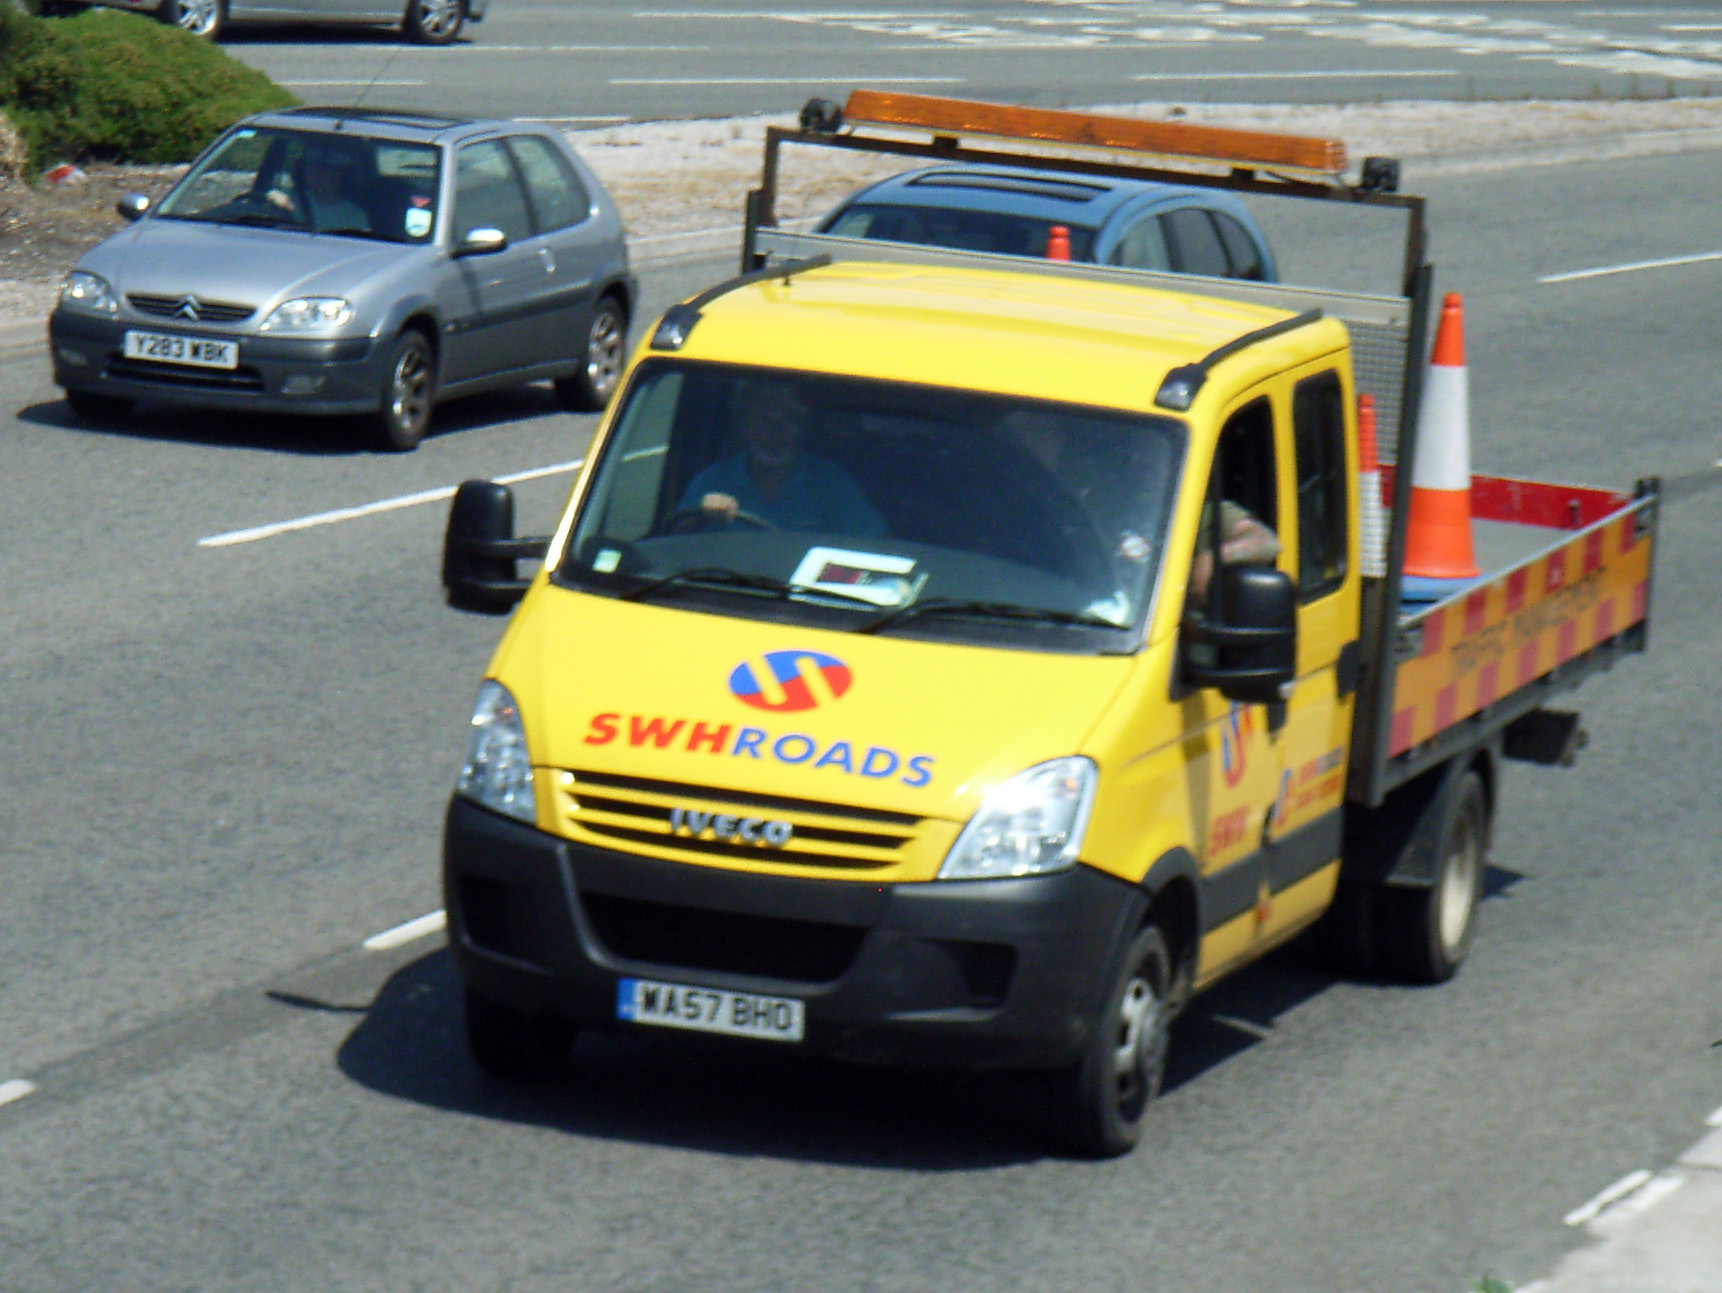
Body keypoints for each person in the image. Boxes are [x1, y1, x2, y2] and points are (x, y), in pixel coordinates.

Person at [678, 379, 887, 536]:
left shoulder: (830, 482)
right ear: (744, 427)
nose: (775, 433)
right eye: (764, 421)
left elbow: (876, 543)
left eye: (787, 420)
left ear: (801, 429)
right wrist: (701, 516)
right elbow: (674, 542)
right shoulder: (714, 480)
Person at [275, 143, 372, 234]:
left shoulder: (355, 215)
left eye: (325, 168)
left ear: (339, 174)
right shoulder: (287, 201)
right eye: (311, 166)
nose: (316, 173)